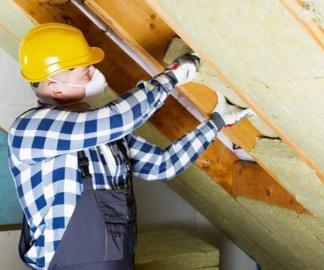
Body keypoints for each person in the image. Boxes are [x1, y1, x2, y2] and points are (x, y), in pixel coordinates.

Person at [7, 23, 254, 270]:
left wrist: (216, 123)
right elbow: (118, 118)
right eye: (85, 69)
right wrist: (174, 76)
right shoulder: (30, 129)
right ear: (56, 88)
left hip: (120, 262)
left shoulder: (103, 130)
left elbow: (161, 165)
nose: (94, 72)